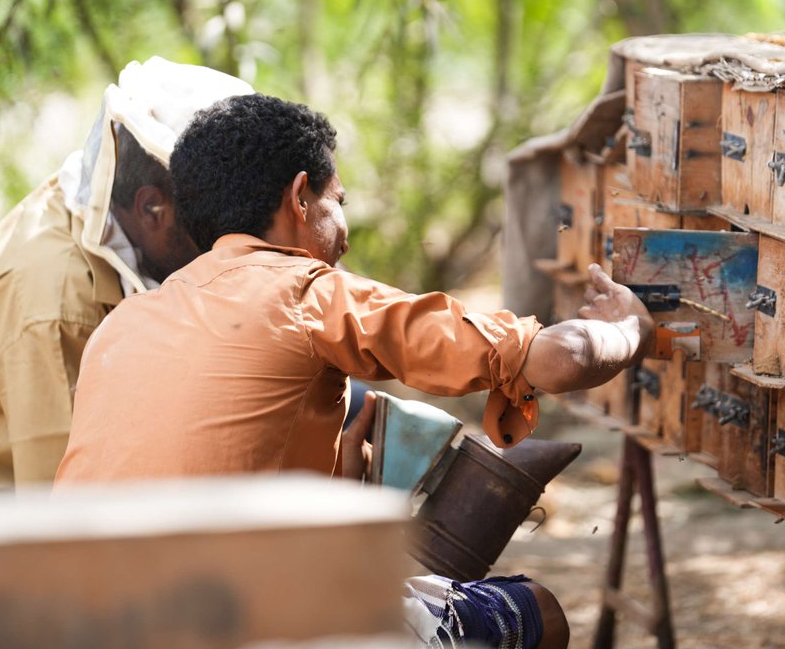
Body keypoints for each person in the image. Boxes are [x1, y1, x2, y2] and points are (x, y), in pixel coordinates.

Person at [55, 93, 654, 647]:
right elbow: (557, 358)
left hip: (89, 619)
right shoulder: (307, 294)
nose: (344, 230)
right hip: (243, 622)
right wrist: (629, 327)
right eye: (337, 202)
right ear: (299, 197)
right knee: (538, 611)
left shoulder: (124, 324)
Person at [0, 59, 253, 497]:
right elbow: (63, 515)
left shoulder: (100, 217)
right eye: (214, 222)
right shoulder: (57, 306)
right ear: (151, 209)